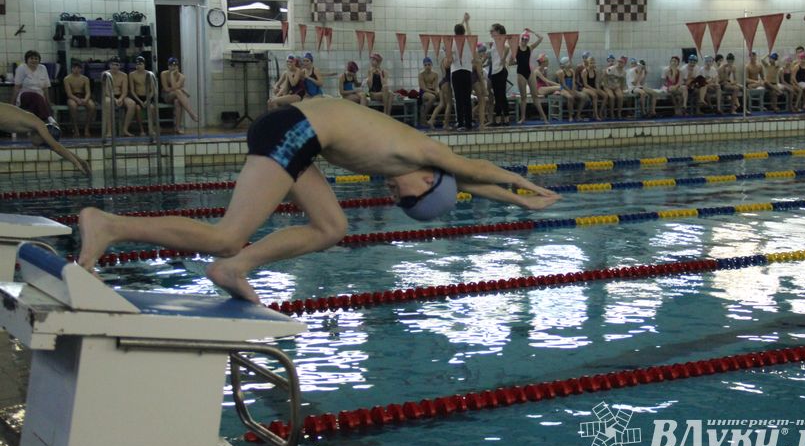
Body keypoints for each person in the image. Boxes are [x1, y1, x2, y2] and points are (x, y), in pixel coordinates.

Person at [77, 99, 561, 303]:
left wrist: (519, 204)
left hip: (299, 137)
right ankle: (110, 225)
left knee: (333, 228)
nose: (397, 197)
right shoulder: (426, 153)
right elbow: (475, 170)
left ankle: (233, 268)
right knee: (226, 235)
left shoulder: (418, 167)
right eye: (409, 199)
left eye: (402, 205)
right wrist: (526, 185)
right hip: (293, 132)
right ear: (430, 181)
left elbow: (468, 184)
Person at [0, 103, 90, 175]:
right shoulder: (39, 124)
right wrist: (76, 164)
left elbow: (57, 146)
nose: (39, 146)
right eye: (42, 144)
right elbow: (56, 147)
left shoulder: (33, 123)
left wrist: (81, 160)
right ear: (42, 137)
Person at [514, 29, 547, 123]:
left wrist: (532, 31)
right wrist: (512, 62)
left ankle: (544, 118)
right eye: (523, 39)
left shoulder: (530, 48)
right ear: (520, 39)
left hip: (530, 72)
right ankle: (523, 118)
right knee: (523, 97)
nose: (524, 41)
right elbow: (512, 61)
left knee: (535, 96)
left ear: (528, 40)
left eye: (526, 39)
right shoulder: (516, 48)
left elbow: (541, 38)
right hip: (521, 73)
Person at [12, 50, 53, 122]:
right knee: (36, 97)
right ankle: (46, 119)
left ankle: (34, 123)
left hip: (39, 99)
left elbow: (45, 88)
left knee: (37, 101)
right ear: (27, 60)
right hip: (25, 96)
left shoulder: (43, 68)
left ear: (39, 60)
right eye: (31, 58)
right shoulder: (21, 68)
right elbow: (17, 87)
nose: (34, 60)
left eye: (36, 59)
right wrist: (13, 103)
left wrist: (48, 102)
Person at [160, 57, 199, 134]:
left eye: (175, 66)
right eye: (171, 66)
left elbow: (173, 88)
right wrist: (172, 75)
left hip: (177, 96)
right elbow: (167, 89)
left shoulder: (182, 77)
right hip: (166, 96)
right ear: (168, 66)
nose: (173, 67)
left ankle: (177, 128)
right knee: (178, 91)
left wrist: (177, 87)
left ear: (177, 66)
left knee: (177, 102)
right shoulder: (163, 74)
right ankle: (191, 113)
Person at [449, 13, 474, 130]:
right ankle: (468, 123)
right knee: (467, 98)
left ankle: (460, 123)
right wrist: (466, 21)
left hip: (456, 72)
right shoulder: (469, 41)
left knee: (458, 99)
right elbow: (469, 34)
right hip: (467, 72)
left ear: (454, 33)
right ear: (464, 32)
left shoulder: (452, 42)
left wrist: (463, 21)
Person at [102, 57, 136, 138]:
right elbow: (106, 91)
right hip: (109, 96)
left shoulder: (123, 75)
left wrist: (120, 99)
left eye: (116, 65)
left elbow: (124, 91)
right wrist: (114, 99)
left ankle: (125, 129)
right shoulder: (105, 74)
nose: (114, 66)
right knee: (108, 102)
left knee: (132, 104)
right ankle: (109, 131)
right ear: (109, 65)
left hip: (120, 95)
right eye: (113, 64)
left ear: (119, 66)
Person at [63, 61, 96, 137]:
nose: (76, 70)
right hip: (72, 96)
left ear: (81, 69)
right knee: (73, 106)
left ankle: (87, 128)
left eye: (78, 68)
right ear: (72, 69)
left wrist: (85, 99)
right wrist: (77, 99)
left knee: (92, 106)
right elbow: (69, 94)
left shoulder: (85, 79)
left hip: (83, 96)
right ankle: (76, 129)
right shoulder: (67, 79)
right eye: (74, 68)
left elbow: (88, 92)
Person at [487, 23, 510, 125]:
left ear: (498, 31)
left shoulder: (501, 40)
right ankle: (500, 118)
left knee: (500, 96)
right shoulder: (495, 41)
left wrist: (503, 59)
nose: (490, 32)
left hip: (500, 71)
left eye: (492, 31)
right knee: (498, 96)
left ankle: (503, 118)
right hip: (495, 71)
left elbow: (507, 47)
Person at [127, 56, 153, 137]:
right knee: (137, 108)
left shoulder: (149, 74)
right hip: (137, 97)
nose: (139, 66)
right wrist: (140, 101)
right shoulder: (132, 75)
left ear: (144, 65)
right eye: (137, 64)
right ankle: (142, 130)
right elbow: (132, 90)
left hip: (147, 97)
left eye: (140, 64)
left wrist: (147, 100)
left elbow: (153, 90)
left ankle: (151, 128)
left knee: (152, 108)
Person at [417, 57, 439, 122]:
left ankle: (437, 118)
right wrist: (434, 92)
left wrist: (437, 92)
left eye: (429, 64)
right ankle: (423, 115)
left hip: (432, 91)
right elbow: (423, 88)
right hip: (424, 92)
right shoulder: (421, 75)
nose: (427, 66)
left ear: (431, 65)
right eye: (425, 65)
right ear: (423, 66)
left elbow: (435, 86)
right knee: (432, 97)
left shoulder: (435, 75)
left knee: (444, 96)